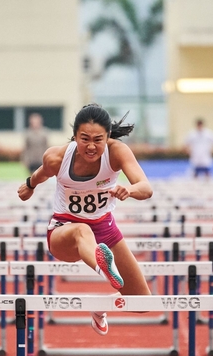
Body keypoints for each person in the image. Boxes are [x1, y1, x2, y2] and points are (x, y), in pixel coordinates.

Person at [17, 104, 153, 336]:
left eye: (98, 140)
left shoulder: (118, 152)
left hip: (105, 230)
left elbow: (146, 188)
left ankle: (100, 307)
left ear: (108, 137)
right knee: (82, 231)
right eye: (85, 139)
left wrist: (129, 191)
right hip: (65, 230)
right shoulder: (57, 157)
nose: (91, 146)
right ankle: (103, 268)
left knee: (143, 303)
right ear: (75, 137)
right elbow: (42, 172)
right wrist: (29, 185)